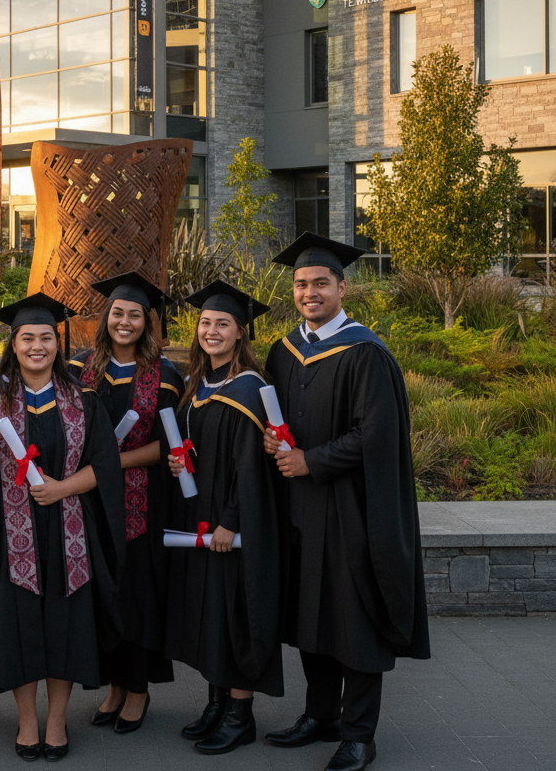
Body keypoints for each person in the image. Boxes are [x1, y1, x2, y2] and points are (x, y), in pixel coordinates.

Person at [263, 233, 430, 771]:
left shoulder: (366, 353)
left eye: (320, 284)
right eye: (301, 284)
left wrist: (312, 460)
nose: (309, 293)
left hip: (354, 511)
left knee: (353, 620)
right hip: (301, 510)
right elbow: (278, 417)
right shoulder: (285, 349)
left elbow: (375, 436)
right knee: (309, 614)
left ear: (342, 287)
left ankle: (360, 733)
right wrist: (275, 441)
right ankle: (320, 714)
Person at [0, 292, 125, 763]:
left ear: (57, 343)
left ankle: (56, 720)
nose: (37, 346)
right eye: (27, 337)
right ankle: (28, 721)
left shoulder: (83, 399)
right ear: (13, 343)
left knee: (66, 627)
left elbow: (104, 467)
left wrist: (63, 488)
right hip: (12, 538)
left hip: (70, 533)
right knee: (19, 627)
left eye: (45, 337)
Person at [164, 281, 284, 756]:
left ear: (240, 333)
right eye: (206, 323)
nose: (211, 331)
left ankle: (240, 716)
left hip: (233, 526)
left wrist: (231, 521)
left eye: (222, 324)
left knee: (236, 615)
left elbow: (250, 467)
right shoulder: (198, 384)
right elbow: (198, 446)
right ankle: (216, 703)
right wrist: (178, 463)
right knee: (210, 612)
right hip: (202, 516)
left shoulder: (250, 388)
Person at [67, 271, 184, 733]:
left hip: (143, 502)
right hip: (90, 501)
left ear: (147, 322)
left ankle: (138, 690)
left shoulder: (166, 376)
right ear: (105, 317)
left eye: (135, 314)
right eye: (118, 312)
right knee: (103, 593)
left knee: (136, 593)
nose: (125, 321)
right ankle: (115, 685)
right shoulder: (79, 369)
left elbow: (170, 444)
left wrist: (114, 465)